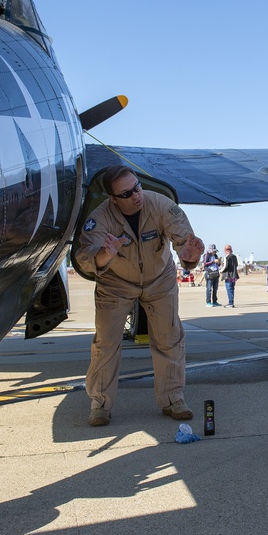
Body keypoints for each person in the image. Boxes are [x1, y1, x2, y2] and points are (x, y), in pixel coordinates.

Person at [73, 165, 204, 427]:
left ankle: (172, 399)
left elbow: (185, 246)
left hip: (160, 280)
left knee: (169, 338)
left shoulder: (162, 206)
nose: (136, 195)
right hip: (115, 283)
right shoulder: (100, 218)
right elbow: (84, 258)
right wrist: (105, 254)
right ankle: (100, 404)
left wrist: (190, 257)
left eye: (137, 187)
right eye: (127, 193)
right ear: (113, 198)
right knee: (106, 343)